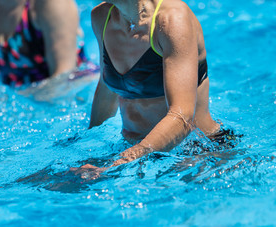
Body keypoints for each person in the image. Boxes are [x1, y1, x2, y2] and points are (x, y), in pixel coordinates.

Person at [88, 0, 232, 167]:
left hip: (197, 154)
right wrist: (90, 155)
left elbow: (182, 117)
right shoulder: (102, 17)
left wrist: (117, 164)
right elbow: (107, 91)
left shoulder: (172, 20)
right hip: (136, 154)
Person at [0, 0, 97, 94]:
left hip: (75, 98)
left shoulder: (51, 3)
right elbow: (5, 73)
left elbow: (64, 79)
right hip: (25, 102)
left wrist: (14, 100)